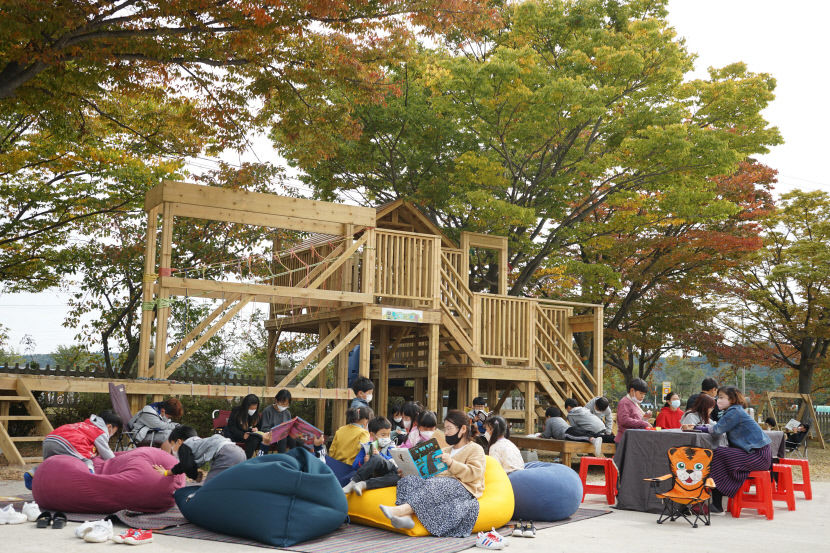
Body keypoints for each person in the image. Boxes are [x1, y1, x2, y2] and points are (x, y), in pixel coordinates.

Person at [378, 409, 485, 537]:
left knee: (437, 484)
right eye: (445, 429)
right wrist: (409, 471)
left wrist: (451, 463)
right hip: (439, 483)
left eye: (449, 428)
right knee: (408, 480)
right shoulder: (445, 450)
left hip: (464, 487)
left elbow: (475, 474)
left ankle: (401, 510)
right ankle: (406, 518)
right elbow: (433, 473)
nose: (446, 433)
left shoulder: (475, 449)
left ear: (462, 429)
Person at [689, 386, 771, 514]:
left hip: (757, 456)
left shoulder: (735, 412)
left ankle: (716, 504)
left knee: (717, 454)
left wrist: (696, 427)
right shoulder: (734, 411)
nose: (718, 400)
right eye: (718, 397)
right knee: (719, 455)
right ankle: (715, 502)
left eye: (721, 397)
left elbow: (716, 430)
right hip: (756, 454)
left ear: (732, 399)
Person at [154, 425, 246, 484]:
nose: (173, 450)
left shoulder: (184, 446)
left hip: (226, 454)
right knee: (230, 482)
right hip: (239, 452)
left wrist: (195, 475)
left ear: (178, 442)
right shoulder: (196, 443)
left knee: (210, 485)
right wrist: (167, 472)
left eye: (172, 445)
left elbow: (187, 465)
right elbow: (183, 465)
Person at [43, 411, 122, 472]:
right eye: (115, 431)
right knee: (86, 462)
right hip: (67, 443)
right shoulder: (100, 433)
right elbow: (108, 455)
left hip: (49, 440)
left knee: (49, 465)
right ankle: (89, 478)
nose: (113, 434)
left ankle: (33, 473)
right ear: (109, 427)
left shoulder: (85, 425)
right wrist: (119, 464)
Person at [343, 416, 399, 495]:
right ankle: (354, 482)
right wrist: (364, 461)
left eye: (388, 435)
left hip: (387, 472)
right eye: (383, 435)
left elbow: (394, 463)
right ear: (372, 435)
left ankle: (363, 484)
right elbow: (355, 465)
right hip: (372, 474)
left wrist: (380, 455)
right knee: (375, 458)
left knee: (396, 477)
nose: (386, 437)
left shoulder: (391, 446)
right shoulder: (367, 447)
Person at [222, 393, 264, 459]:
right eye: (251, 408)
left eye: (255, 408)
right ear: (246, 406)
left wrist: (256, 429)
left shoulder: (256, 415)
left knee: (257, 439)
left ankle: (254, 460)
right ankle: (245, 460)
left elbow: (259, 426)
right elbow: (231, 427)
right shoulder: (237, 411)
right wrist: (242, 435)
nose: (253, 410)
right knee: (254, 440)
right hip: (236, 435)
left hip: (250, 436)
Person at [615, 378, 652, 442]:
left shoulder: (634, 403)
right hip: (625, 440)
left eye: (644, 394)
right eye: (641, 393)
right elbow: (624, 420)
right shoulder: (625, 402)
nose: (643, 396)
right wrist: (643, 423)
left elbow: (635, 420)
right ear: (632, 391)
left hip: (633, 439)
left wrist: (645, 418)